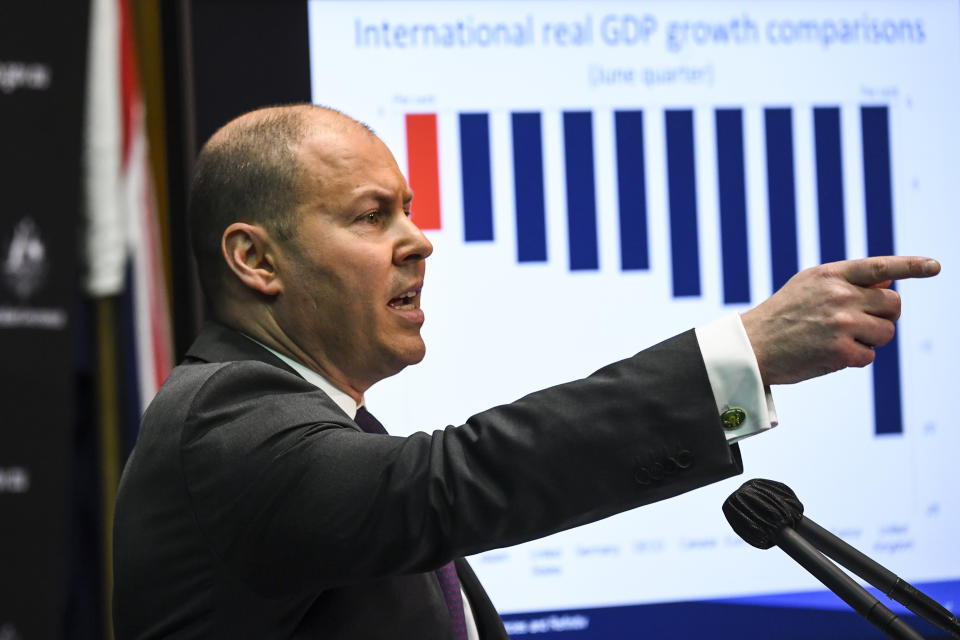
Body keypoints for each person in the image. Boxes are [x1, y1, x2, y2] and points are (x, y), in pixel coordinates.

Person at [112, 104, 940, 639]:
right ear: (256, 259)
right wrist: (745, 354)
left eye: (407, 208)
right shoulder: (227, 419)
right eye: (371, 215)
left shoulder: (332, 421)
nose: (418, 240)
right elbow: (454, 481)